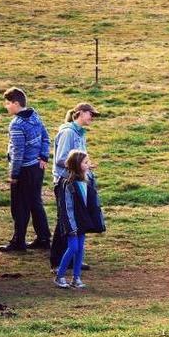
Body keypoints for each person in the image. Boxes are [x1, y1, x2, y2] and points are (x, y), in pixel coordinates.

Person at [0, 87, 51, 253]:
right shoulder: (35, 116)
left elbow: (18, 152)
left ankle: (18, 242)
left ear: (16, 103)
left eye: (8, 103)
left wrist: (14, 174)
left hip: (24, 170)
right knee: (35, 203)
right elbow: (46, 138)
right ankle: (44, 238)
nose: (6, 106)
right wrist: (43, 157)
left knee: (19, 207)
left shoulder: (16, 124)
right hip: (37, 168)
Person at [50, 103, 99, 272]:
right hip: (65, 182)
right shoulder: (68, 132)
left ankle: (71, 259)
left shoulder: (79, 133)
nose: (92, 117)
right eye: (91, 114)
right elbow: (61, 159)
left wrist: (86, 167)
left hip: (75, 182)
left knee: (75, 219)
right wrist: (80, 166)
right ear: (80, 113)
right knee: (64, 220)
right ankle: (57, 262)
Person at [55, 151, 105, 289]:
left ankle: (76, 278)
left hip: (82, 220)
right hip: (71, 221)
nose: (89, 164)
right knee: (73, 247)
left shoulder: (88, 178)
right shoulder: (67, 183)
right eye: (85, 162)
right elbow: (67, 207)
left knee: (80, 248)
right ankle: (59, 276)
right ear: (77, 165)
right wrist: (71, 226)